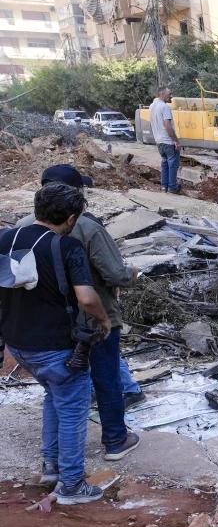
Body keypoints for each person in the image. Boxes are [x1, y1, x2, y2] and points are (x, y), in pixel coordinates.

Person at [0, 184, 116, 504]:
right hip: (57, 347)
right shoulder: (67, 247)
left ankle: (51, 466)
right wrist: (105, 321)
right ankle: (71, 485)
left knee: (55, 397)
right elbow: (87, 298)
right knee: (73, 411)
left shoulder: (5, 239)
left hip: (19, 344)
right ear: (71, 217)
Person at [19, 164, 145, 419]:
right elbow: (112, 274)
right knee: (105, 372)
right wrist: (131, 274)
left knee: (61, 384)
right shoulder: (87, 227)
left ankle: (57, 449)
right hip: (92, 314)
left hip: (47, 320)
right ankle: (116, 435)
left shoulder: (22, 227)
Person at [148, 87, 182, 194]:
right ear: (162, 94)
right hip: (168, 141)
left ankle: (164, 187)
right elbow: (167, 125)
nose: (171, 96)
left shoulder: (152, 106)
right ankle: (172, 188)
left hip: (159, 141)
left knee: (164, 163)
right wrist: (176, 141)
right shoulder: (164, 107)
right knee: (173, 164)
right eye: (169, 94)